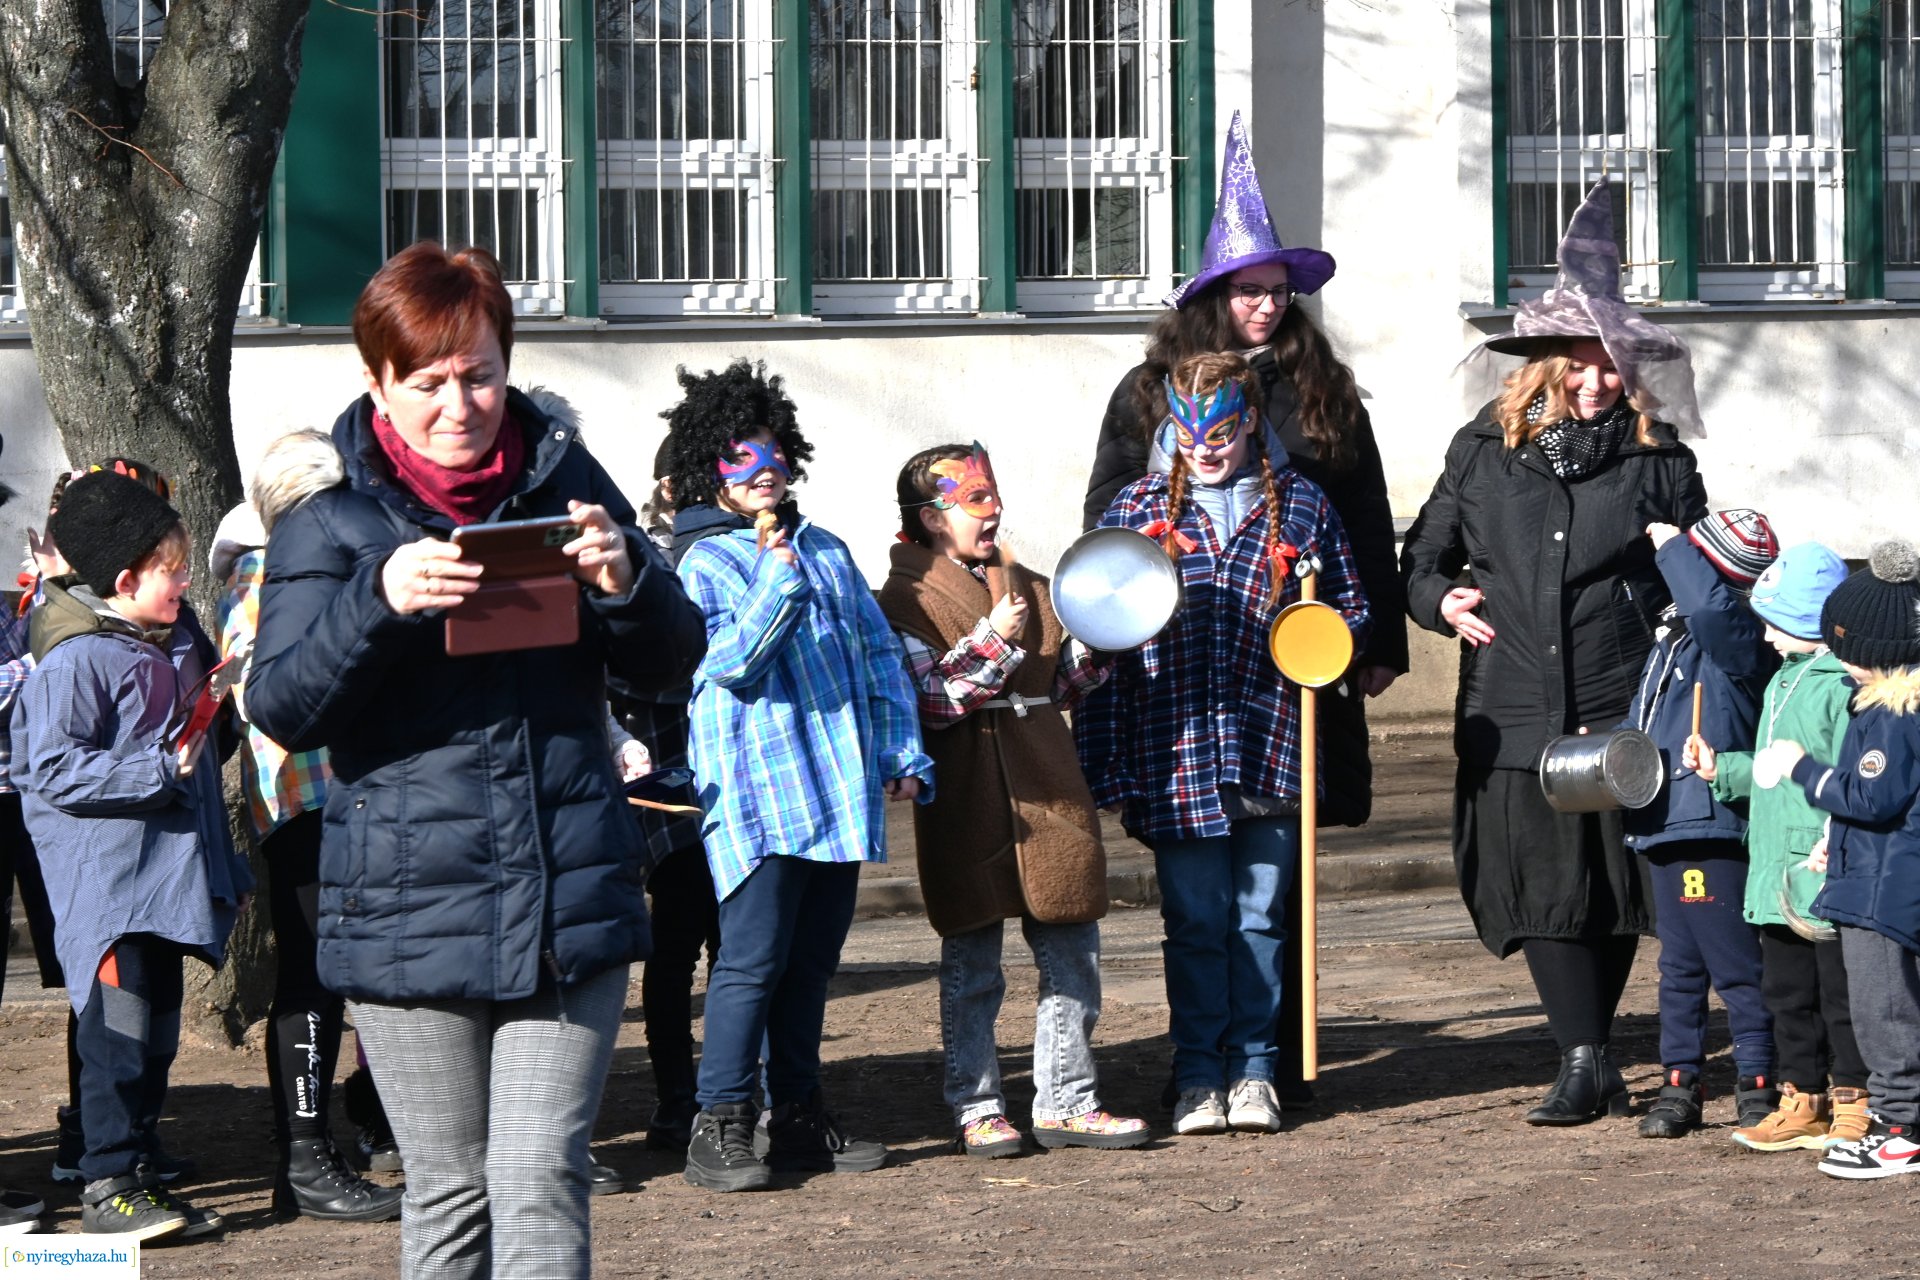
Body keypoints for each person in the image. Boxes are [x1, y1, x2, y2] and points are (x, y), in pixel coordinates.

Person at [244, 241, 707, 1276]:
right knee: (450, 1192)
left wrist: (628, 579)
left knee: (544, 1172)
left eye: (481, 373)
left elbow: (673, 663)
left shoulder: (571, 481)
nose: (460, 403)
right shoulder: (332, 525)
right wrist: (380, 603)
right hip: (410, 905)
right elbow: (282, 703)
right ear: (378, 383)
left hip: (565, 896)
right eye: (428, 382)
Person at [1081, 112, 1404, 1108]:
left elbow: (1361, 513)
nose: (1265, 306)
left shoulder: (1319, 390)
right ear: (1215, 298)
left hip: (1281, 680)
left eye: (1277, 292)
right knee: (1201, 902)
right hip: (1181, 688)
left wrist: (1373, 638)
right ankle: (1206, 1062)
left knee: (1272, 886)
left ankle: (1269, 1062)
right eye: (1248, 290)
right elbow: (1108, 520)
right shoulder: (1146, 393)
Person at [1402, 181, 1709, 1126]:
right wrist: (1439, 601)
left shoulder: (1659, 461)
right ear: (1538, 367)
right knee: (1538, 879)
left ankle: (1598, 1048)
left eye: (1611, 367)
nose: (1595, 383)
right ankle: (1579, 1060)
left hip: (1622, 695)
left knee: (1611, 880)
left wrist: (1660, 608)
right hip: (1513, 699)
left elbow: (1697, 577)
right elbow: (1422, 559)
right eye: (1577, 365)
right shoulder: (1479, 451)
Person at [1076, 351, 1368, 1136]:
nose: (1208, 447)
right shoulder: (1136, 512)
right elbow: (1098, 643)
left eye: (1227, 431)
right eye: (1190, 431)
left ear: (1250, 426)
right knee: (1197, 921)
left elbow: (1353, 613)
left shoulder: (1300, 508)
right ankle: (1198, 1073)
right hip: (1176, 754)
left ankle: (1255, 1071)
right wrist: (1103, 762)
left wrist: (1322, 630)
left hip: (1272, 744)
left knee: (1260, 919)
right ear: (1170, 427)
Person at [663, 359, 932, 1192]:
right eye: (744, 455)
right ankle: (721, 1122)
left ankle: (801, 1115)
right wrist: (775, 578)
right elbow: (732, 663)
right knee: (750, 963)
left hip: (836, 791)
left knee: (812, 966)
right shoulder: (704, 564)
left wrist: (899, 751)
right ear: (715, 466)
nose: (765, 468)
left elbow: (878, 657)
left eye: (775, 450)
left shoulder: (829, 549)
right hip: (757, 797)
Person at [878, 442, 1149, 1157]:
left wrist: (1102, 632)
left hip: (1047, 785)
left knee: (1072, 951)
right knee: (973, 963)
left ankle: (1068, 1100)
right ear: (933, 518)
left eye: (992, 493)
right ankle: (977, 1105)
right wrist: (994, 644)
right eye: (974, 499)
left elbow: (1058, 685)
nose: (993, 508)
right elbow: (931, 701)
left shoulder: (1028, 583)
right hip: (968, 796)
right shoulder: (900, 601)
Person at [13, 471, 251, 1241]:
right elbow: (47, 769)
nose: (185, 582)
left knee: (156, 1036)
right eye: (172, 570)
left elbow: (204, 738)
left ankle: (139, 1168)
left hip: (170, 880)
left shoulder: (181, 638)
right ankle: (106, 1182)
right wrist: (157, 769)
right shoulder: (78, 660)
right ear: (123, 579)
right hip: (110, 889)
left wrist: (221, 717)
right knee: (115, 1034)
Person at [211, 430, 403, 1222]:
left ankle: (349, 1128)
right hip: (313, 795)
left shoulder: (258, 571)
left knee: (340, 973)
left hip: (311, 796)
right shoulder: (282, 572)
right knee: (318, 978)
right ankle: (307, 1157)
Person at [1686, 542, 1869, 1151]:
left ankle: (1855, 1100)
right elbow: (1772, 769)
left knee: (1839, 995)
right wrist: (1725, 771)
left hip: (1822, 869)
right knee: (1786, 993)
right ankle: (1802, 1098)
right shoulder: (1784, 680)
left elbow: (1848, 775)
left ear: (1804, 621)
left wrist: (1834, 832)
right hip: (1776, 870)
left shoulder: (1839, 683)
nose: (1764, 636)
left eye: (1772, 622)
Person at [1760, 540, 1920, 1180]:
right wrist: (1839, 837)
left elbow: (1874, 795)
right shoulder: (1883, 708)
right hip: (1874, 875)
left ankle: (1902, 1125)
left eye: (1844, 646)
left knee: (1885, 1011)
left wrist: (1800, 766)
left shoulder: (1893, 714)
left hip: (1884, 894)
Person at [1620, 511, 1781, 1138]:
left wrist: (1671, 547)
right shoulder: (1677, 634)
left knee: (1736, 966)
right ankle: (1681, 1081)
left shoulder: (1739, 632)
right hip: (1666, 819)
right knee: (1679, 967)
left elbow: (1714, 610)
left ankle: (1759, 1080)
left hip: (1708, 823)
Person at [615, 437, 721, 1155]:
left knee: (735, 941)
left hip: (728, 770)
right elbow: (625, 665)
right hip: (664, 774)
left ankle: (738, 1092)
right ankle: (677, 1098)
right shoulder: (645, 560)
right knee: (678, 939)